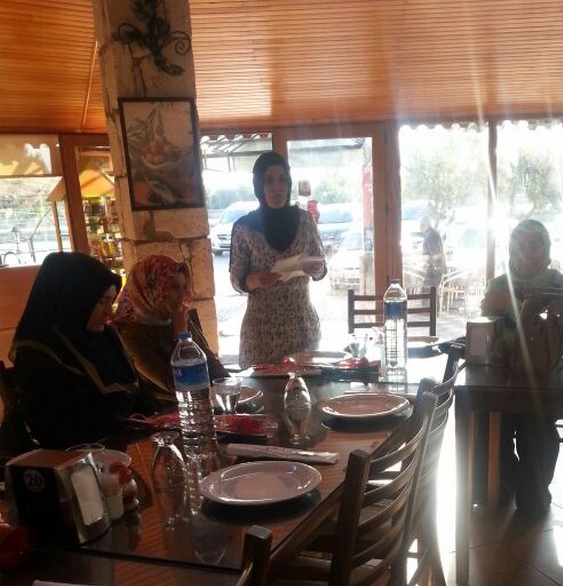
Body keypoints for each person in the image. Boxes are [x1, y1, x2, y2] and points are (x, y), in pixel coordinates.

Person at [481, 219, 563, 516]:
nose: (526, 254)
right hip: (503, 377)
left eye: (535, 246)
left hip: (548, 377)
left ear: (547, 250)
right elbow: (489, 338)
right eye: (519, 247)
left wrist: (512, 310)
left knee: (535, 422)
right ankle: (503, 484)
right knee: (486, 419)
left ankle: (532, 490)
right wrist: (524, 316)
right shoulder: (498, 285)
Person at [10, 252, 156, 448]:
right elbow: (62, 430)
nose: (109, 312)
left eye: (111, 301)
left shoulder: (105, 337)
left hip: (130, 443)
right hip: (81, 456)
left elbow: (141, 396)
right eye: (102, 301)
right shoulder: (38, 353)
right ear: (74, 298)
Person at [229, 151, 327, 368]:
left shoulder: (305, 220)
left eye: (282, 179)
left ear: (289, 183)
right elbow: (236, 280)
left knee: (306, 387)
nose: (277, 187)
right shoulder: (244, 227)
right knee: (264, 389)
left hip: (302, 328)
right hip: (261, 334)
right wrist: (257, 280)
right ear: (259, 185)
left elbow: (322, 267)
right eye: (269, 180)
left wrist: (316, 269)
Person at [113, 254, 228, 403]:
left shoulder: (176, 316)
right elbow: (175, 383)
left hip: (200, 402)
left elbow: (209, 360)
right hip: (165, 408)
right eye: (174, 287)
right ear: (152, 289)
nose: (182, 295)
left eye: (183, 287)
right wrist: (181, 337)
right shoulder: (131, 333)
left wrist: (228, 386)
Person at [419, 216, 446, 290]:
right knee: (431, 292)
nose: (420, 228)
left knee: (429, 292)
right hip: (435, 270)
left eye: (421, 225)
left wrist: (427, 261)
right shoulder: (432, 234)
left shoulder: (431, 236)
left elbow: (436, 255)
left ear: (426, 225)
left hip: (434, 271)